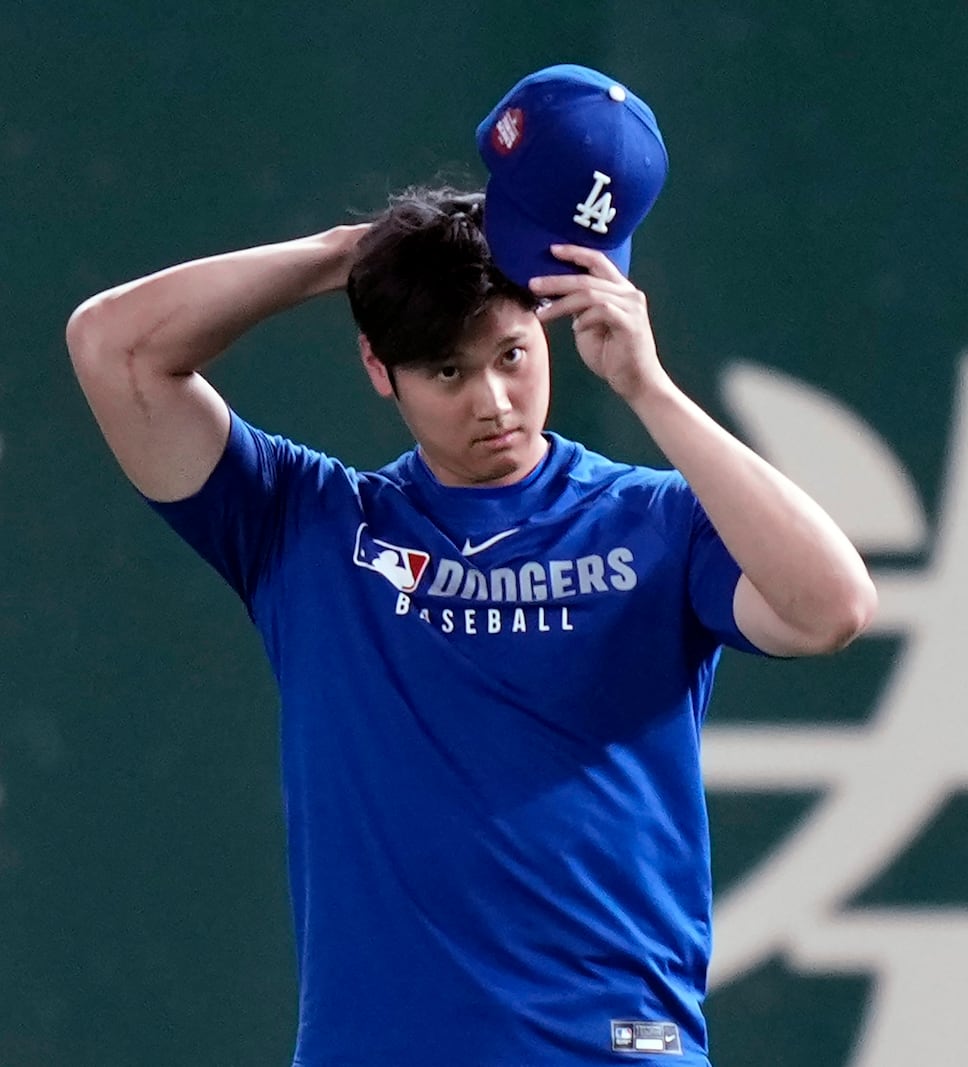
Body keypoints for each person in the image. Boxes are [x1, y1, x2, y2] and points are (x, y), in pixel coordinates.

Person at [64, 66, 876, 1067]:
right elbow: (114, 349)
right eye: (447, 371)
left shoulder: (653, 520)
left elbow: (833, 605)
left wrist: (653, 390)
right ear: (379, 368)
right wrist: (347, 253)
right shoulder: (308, 526)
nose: (491, 398)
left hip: (614, 1049)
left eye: (511, 354)